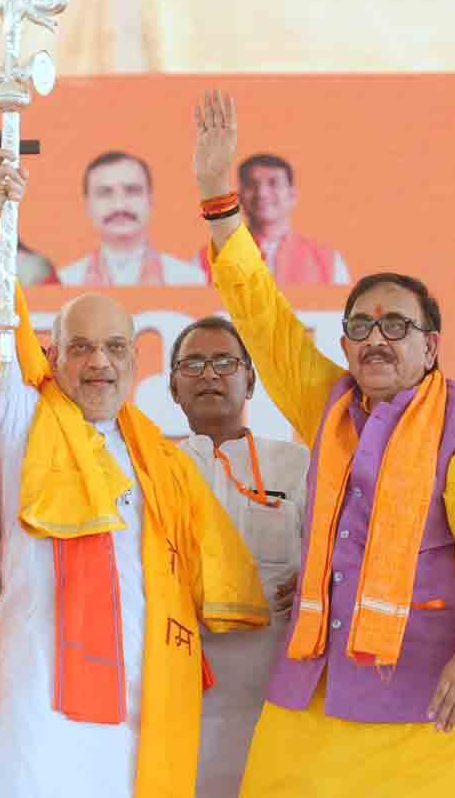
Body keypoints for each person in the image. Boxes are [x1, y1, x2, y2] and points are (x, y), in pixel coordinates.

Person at [192, 91, 455, 798]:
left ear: (433, 346)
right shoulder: (331, 403)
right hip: (318, 680)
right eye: (361, 325)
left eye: (397, 326)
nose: (376, 338)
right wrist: (220, 201)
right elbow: (264, 318)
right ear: (343, 341)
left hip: (433, 692)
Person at [0, 148, 268, 798]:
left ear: (137, 362)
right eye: (81, 347)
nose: (100, 363)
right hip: (41, 702)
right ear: (54, 357)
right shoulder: (22, 418)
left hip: (141, 701)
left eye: (116, 347)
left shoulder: (159, 459)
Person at [169, 316, 308, 798]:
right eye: (193, 364)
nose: (210, 374)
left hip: (275, 695)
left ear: (250, 379)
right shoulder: (153, 470)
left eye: (225, 362)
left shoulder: (298, 465)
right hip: (182, 695)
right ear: (172, 387)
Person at [198, 154, 349, 284]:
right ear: (238, 197)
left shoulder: (327, 261)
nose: (262, 193)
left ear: (292, 195)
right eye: (252, 184)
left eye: (273, 183)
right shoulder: (209, 259)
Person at [59, 151, 205, 286]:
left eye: (132, 191)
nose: (119, 205)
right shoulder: (65, 282)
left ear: (150, 200)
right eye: (105, 193)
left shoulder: (192, 279)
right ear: (87, 206)